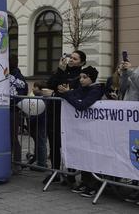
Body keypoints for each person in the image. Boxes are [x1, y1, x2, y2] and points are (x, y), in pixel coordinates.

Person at [43, 50, 86, 184]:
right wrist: (60, 70)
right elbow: (50, 84)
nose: (71, 60)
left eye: (75, 58)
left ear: (82, 62)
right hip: (55, 111)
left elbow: (67, 88)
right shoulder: (62, 70)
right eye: (70, 57)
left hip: (70, 114)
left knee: (69, 143)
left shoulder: (82, 75)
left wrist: (62, 89)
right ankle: (55, 171)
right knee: (54, 142)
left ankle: (71, 174)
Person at [60, 66, 104, 198]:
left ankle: (93, 184)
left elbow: (82, 105)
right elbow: (75, 96)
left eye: (85, 77)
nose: (81, 80)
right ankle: (85, 181)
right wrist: (68, 93)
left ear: (92, 78)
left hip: (95, 128)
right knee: (84, 153)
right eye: (81, 77)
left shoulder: (96, 90)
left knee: (93, 155)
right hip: (84, 129)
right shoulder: (83, 88)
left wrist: (67, 94)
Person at [8, 55, 28, 170]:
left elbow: (22, 92)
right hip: (10, 109)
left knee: (13, 137)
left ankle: (16, 163)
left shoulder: (18, 77)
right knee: (11, 137)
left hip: (14, 110)